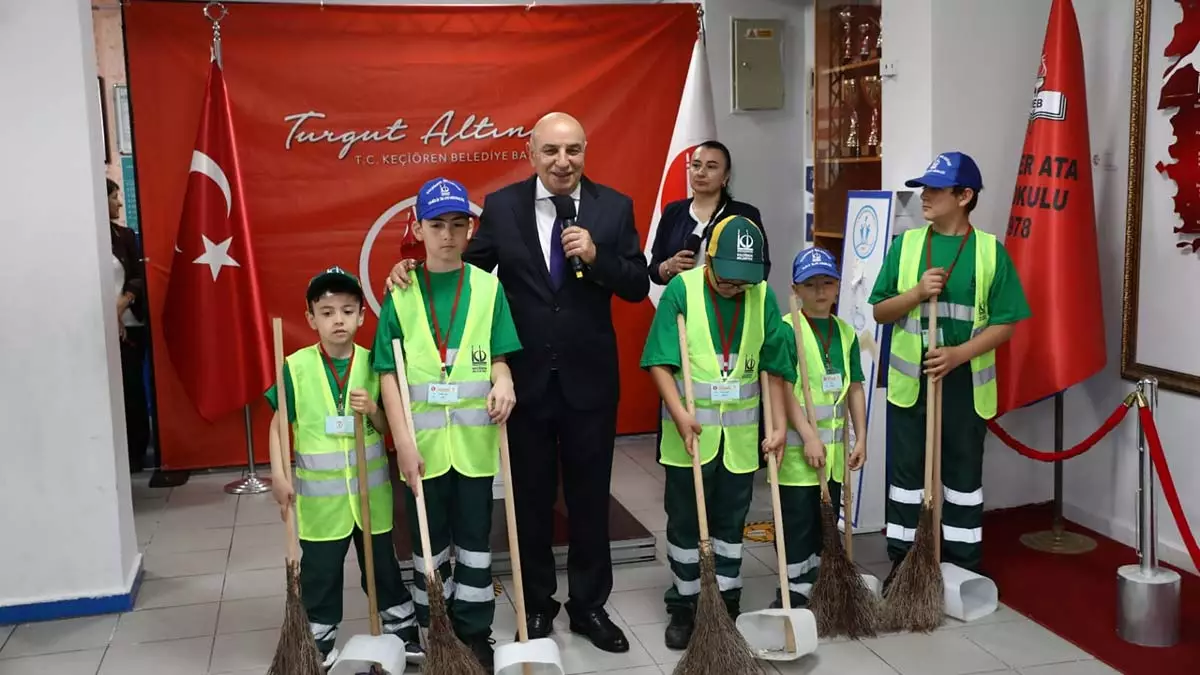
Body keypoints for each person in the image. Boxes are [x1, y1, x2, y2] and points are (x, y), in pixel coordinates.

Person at [386, 112, 649, 653]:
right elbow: (463, 268)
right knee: (528, 500)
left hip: (590, 383)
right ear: (531, 155)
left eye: (573, 150)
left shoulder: (612, 208)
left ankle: (590, 607)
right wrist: (407, 269)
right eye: (551, 151)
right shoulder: (502, 208)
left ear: (584, 152)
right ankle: (535, 603)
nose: (563, 162)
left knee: (588, 499)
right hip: (521, 382)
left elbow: (636, 282)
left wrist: (598, 257)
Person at [372, 177, 521, 670]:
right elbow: (388, 377)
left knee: (476, 540)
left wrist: (505, 382)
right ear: (418, 227)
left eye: (459, 225)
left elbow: (499, 357)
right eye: (437, 225)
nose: (448, 235)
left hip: (476, 443)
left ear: (471, 228)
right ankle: (435, 624)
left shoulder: (487, 287)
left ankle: (475, 629)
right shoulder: (401, 291)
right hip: (423, 448)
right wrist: (402, 443)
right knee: (427, 542)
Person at [639, 215, 804, 650]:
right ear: (710, 260)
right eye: (729, 279)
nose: (736, 288)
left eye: (744, 281)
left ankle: (726, 602)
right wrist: (678, 413)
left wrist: (780, 426)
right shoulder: (682, 290)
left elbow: (776, 364)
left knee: (732, 524)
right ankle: (686, 603)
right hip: (688, 436)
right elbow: (658, 360)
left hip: (741, 439)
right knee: (686, 522)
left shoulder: (761, 295)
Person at [869, 151, 1030, 587]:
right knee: (906, 475)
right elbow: (881, 312)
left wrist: (959, 355)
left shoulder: (989, 252)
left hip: (963, 380)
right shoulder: (905, 247)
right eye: (925, 187)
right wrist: (918, 293)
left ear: (965, 196)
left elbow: (1006, 323)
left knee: (962, 476)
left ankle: (961, 563)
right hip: (911, 379)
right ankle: (903, 562)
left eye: (936, 189)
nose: (925, 196)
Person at [265, 267, 422, 667]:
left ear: (362, 316)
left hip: (371, 499)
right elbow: (278, 423)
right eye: (328, 311)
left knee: (382, 568)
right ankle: (318, 639)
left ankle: (401, 630)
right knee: (320, 573)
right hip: (323, 505)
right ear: (311, 319)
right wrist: (279, 475)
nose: (338, 320)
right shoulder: (296, 368)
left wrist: (372, 410)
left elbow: (389, 427)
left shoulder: (374, 364)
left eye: (347, 311)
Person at [775, 246, 868, 608]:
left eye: (827, 283)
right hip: (800, 455)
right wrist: (810, 436)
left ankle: (822, 586)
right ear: (795, 289)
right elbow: (783, 389)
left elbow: (855, 388)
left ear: (838, 286)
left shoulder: (845, 333)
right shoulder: (787, 330)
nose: (820, 291)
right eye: (810, 284)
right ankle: (795, 593)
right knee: (799, 524)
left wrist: (860, 437)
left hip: (833, 454)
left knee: (825, 523)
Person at [647, 140, 771, 285]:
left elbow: (761, 269)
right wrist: (668, 267)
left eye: (711, 167)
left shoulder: (744, 215)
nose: (701, 172)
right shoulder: (673, 212)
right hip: (682, 304)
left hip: (730, 304)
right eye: (696, 165)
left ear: (726, 176)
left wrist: (731, 282)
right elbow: (654, 271)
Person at [108, 178, 150, 473]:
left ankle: (136, 454)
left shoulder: (124, 235)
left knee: (132, 390)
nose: (119, 203)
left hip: (130, 325)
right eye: (113, 197)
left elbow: (138, 274)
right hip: (100, 328)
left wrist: (120, 307)